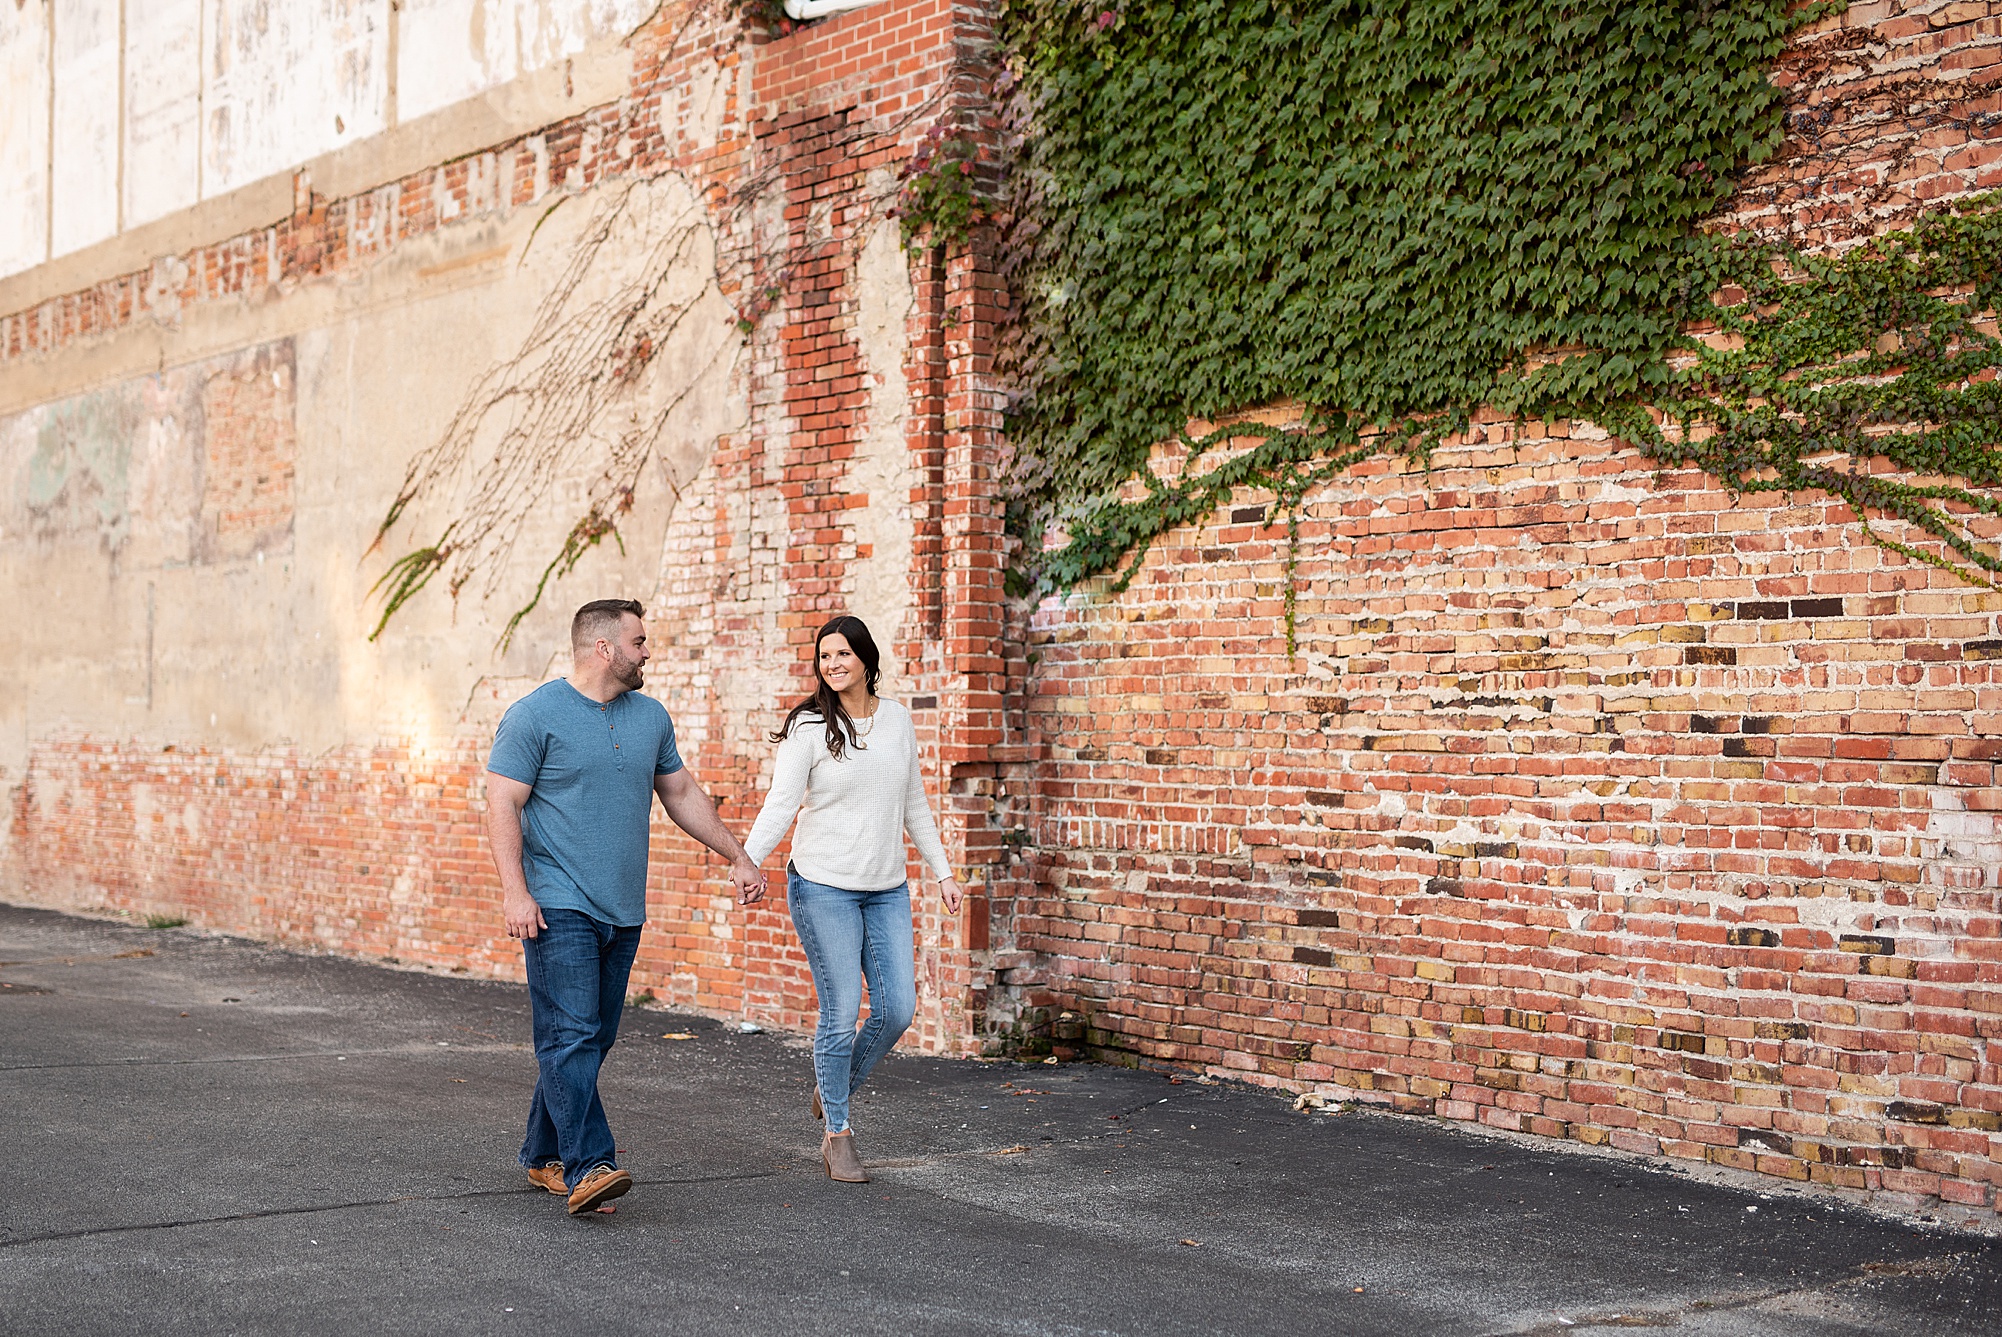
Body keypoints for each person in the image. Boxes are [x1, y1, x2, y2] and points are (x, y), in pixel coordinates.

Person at [485, 598, 765, 1215]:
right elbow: (502, 803)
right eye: (639, 642)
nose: (647, 653)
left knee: (592, 1038)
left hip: (622, 907)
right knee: (572, 1035)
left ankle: (543, 1154)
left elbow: (681, 792)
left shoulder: (651, 717)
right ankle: (591, 1165)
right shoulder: (534, 716)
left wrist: (738, 855)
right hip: (557, 903)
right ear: (604, 648)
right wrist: (515, 891)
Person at [744, 614, 963, 1183]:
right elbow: (781, 802)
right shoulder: (810, 727)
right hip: (822, 885)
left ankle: (831, 1083)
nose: (833, 664)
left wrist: (943, 872)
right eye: (825, 656)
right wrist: (749, 859)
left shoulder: (897, 721)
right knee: (841, 1013)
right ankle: (838, 1135)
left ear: (866, 658)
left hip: (886, 887)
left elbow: (914, 803)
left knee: (897, 1011)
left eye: (843, 653)